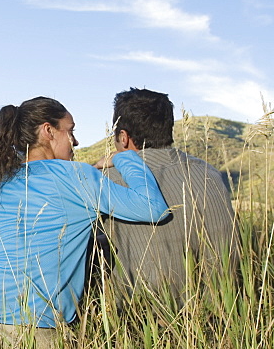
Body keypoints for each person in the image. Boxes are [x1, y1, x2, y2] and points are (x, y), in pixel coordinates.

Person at [0, 96, 169, 349]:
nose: (75, 141)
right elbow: (153, 208)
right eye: (70, 131)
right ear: (48, 131)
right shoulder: (78, 176)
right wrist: (123, 158)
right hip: (41, 343)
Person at [95, 88, 237, 306]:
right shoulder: (210, 173)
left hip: (141, 320)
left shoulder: (107, 180)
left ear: (123, 137)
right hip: (221, 311)